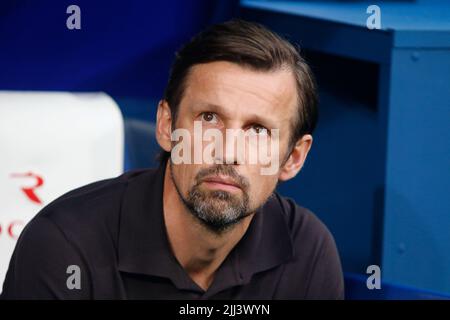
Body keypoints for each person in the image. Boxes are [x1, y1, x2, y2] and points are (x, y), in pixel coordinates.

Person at [1, 19, 344, 299]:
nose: (227, 152)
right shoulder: (63, 246)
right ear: (166, 126)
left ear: (293, 158)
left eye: (257, 130)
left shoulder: (306, 251)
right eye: (208, 118)